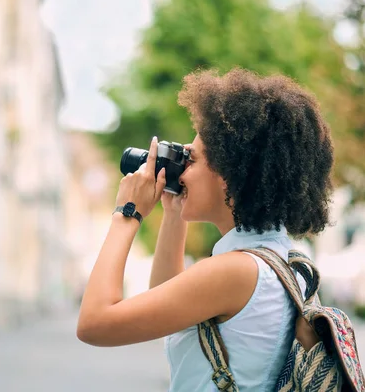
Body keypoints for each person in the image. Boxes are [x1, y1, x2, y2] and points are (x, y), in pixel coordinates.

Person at [77, 68, 334, 391]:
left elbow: (94, 324)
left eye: (192, 159)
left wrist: (126, 214)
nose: (182, 168)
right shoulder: (281, 261)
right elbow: (170, 307)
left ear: (229, 173)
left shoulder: (235, 271)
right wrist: (173, 215)